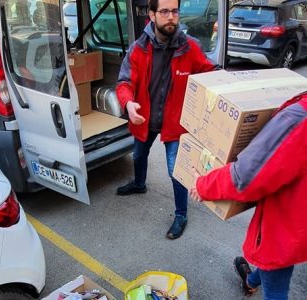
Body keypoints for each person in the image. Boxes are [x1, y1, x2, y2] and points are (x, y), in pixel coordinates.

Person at [115, 0, 217, 239]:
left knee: (175, 171)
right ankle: (139, 184)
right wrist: (128, 103)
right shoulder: (138, 49)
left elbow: (211, 74)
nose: (171, 17)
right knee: (139, 155)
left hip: (175, 123)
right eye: (164, 11)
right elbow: (123, 83)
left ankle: (181, 214)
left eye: (174, 11)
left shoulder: (190, 48)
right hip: (144, 119)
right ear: (152, 15)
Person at [190, 93, 307, 299]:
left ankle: (251, 281)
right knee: (280, 261)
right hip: (300, 219)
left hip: (286, 222)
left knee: (277, 280)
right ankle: (250, 281)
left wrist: (203, 185)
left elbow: (245, 176)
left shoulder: (297, 119)